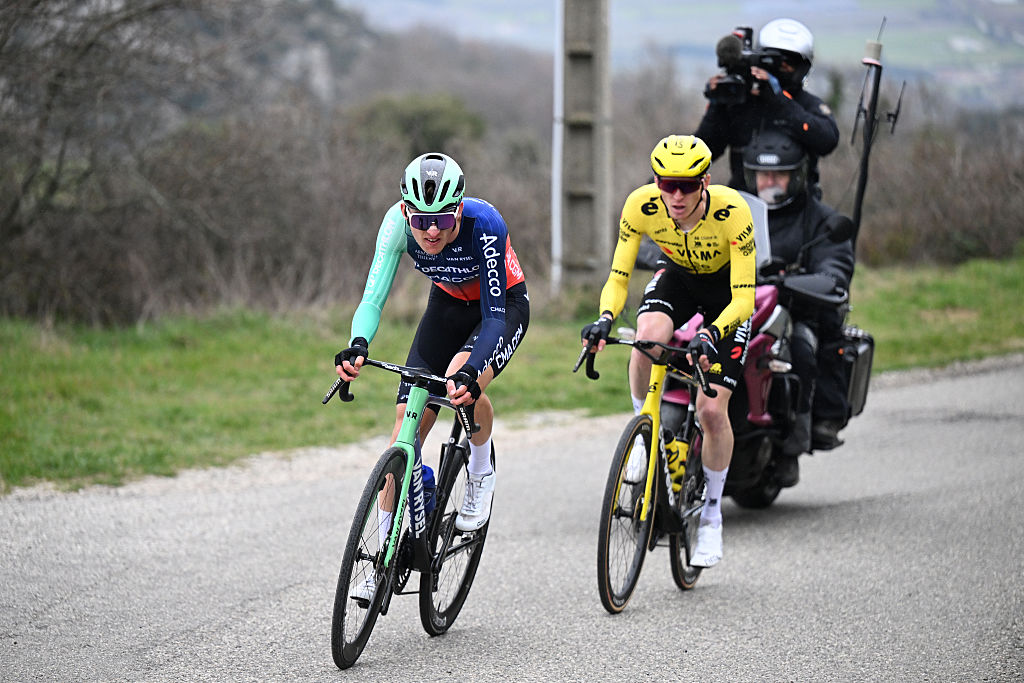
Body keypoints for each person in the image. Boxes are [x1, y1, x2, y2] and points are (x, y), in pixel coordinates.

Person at [335, 152, 529, 570]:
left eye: (442, 219)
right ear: (406, 212)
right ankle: (378, 559)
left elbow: (495, 316)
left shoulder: (486, 224)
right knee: (406, 423)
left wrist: (474, 371)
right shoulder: (395, 226)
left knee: (460, 383)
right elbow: (372, 299)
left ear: (459, 208)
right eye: (421, 221)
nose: (432, 231)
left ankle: (480, 472)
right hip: (447, 303)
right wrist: (358, 344)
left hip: (500, 308)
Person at [581, 134, 756, 569]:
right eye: (666, 183)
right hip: (677, 275)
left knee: (713, 411)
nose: (675, 195)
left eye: (686, 185)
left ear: (705, 182)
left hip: (726, 292)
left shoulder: (732, 211)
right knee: (645, 339)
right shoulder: (641, 204)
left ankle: (713, 516)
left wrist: (713, 333)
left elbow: (744, 300)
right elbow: (619, 276)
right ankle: (645, 427)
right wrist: (605, 317)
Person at [742, 128, 854, 486]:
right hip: (735, 303)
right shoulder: (730, 210)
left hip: (792, 309)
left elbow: (835, 266)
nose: (769, 182)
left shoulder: (818, 218)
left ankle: (793, 443)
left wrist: (814, 279)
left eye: (778, 175)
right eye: (762, 174)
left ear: (797, 175)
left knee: (801, 348)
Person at [696, 18, 839, 198]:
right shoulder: (740, 104)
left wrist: (779, 101)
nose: (783, 68)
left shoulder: (806, 104)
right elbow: (703, 152)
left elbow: (827, 140)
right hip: (744, 208)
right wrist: (718, 104)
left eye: (790, 64)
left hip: (798, 211)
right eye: (777, 61)